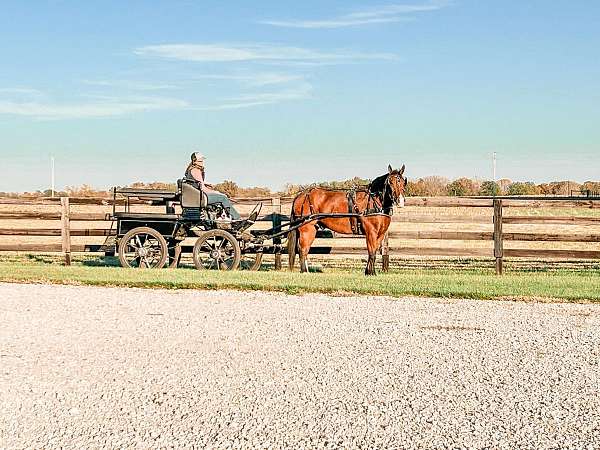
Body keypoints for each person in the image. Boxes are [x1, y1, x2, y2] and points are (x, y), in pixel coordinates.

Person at [184, 152, 241, 220]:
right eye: (200, 160)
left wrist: (205, 184)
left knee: (221, 197)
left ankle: (217, 218)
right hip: (200, 197)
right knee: (223, 198)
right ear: (194, 161)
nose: (202, 162)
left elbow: (196, 183)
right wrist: (216, 192)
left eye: (202, 160)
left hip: (196, 196)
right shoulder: (196, 170)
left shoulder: (191, 170)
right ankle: (237, 219)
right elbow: (203, 189)